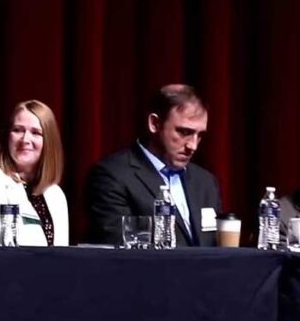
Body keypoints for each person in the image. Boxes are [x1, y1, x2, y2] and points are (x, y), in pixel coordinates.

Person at [85, 84, 221, 246]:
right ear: (154, 124)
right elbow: (120, 250)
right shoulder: (112, 176)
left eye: (199, 135)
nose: (193, 145)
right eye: (184, 132)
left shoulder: (206, 182)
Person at [0, 100, 68, 246]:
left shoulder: (55, 194)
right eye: (18, 130)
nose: (25, 139)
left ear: (49, 142)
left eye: (36, 133)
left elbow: (62, 257)